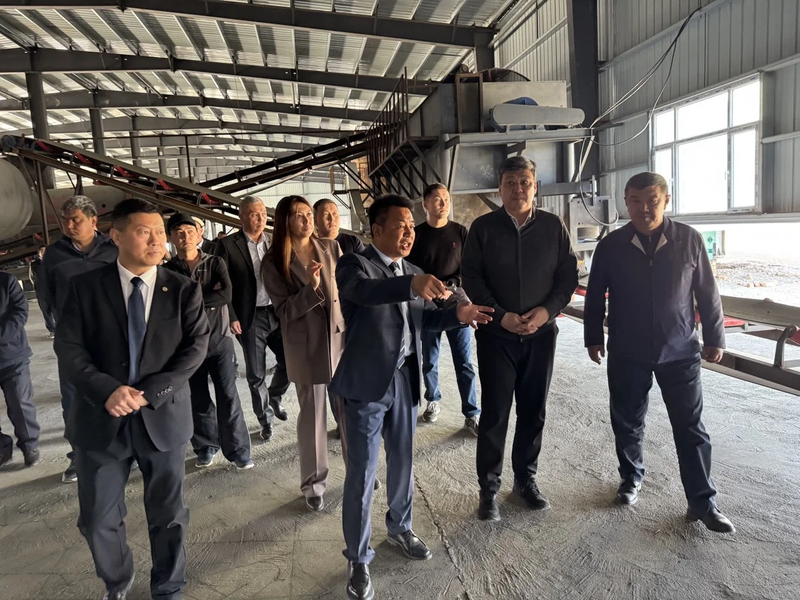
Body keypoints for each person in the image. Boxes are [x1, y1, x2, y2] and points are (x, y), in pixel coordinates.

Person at [331, 194, 493, 600]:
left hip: (404, 379)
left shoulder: (415, 271)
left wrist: (458, 315)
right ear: (377, 230)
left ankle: (400, 528)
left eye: (410, 225)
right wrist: (409, 284)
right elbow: (364, 293)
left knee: (403, 461)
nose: (408, 232)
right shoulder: (354, 265)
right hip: (366, 385)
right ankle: (358, 558)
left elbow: (425, 321)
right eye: (400, 225)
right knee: (362, 474)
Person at [54, 199, 210, 600]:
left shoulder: (183, 290)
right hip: (101, 418)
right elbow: (69, 348)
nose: (157, 240)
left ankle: (168, 587)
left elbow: (194, 349)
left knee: (169, 515)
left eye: (159, 232)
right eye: (144, 232)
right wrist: (106, 389)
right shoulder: (84, 287)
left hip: (162, 417)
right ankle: (118, 578)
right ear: (116, 236)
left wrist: (150, 393)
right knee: (96, 517)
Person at [584, 172, 734, 534]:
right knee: (627, 421)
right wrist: (593, 337)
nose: (644, 208)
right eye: (636, 201)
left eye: (652, 200)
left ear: (666, 200)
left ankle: (703, 501)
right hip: (628, 350)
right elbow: (595, 294)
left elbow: (707, 292)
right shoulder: (612, 245)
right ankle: (630, 478)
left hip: (680, 350)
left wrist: (715, 337)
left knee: (690, 427)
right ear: (626, 202)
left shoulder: (688, 240)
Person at [462, 155, 578, 522]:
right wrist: (501, 316)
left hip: (541, 336)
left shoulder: (553, 227)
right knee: (495, 413)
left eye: (524, 182)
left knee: (533, 410)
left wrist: (547, 311)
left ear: (535, 186)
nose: (518, 189)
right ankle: (488, 489)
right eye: (510, 183)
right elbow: (471, 277)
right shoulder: (483, 228)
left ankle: (525, 480)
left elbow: (567, 277)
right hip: (497, 337)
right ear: (499, 188)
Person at [262, 196, 345, 511]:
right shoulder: (274, 262)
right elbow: (284, 311)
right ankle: (314, 484)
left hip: (339, 339)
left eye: (309, 214)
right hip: (306, 345)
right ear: (285, 220)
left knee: (349, 411)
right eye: (298, 215)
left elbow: (346, 291)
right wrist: (311, 287)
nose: (307, 219)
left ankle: (359, 469)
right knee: (313, 417)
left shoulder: (330, 247)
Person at [164, 213, 253, 471]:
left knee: (229, 396)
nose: (185, 236)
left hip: (219, 341)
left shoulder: (215, 262)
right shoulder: (168, 271)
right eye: (179, 232)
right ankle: (205, 447)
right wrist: (205, 298)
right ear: (171, 238)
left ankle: (238, 450)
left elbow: (225, 294)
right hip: (188, 346)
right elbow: (170, 305)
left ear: (198, 234)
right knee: (198, 398)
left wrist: (189, 301)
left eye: (190, 231)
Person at [43, 195, 119, 484]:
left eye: (76, 220)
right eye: (66, 220)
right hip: (73, 340)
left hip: (111, 336)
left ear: (93, 221)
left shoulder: (113, 249)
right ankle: (80, 455)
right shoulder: (55, 254)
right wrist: (61, 326)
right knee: (73, 399)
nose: (70, 225)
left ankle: (121, 448)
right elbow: (47, 294)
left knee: (115, 391)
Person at [215, 196, 290, 441]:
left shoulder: (275, 241)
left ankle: (275, 396)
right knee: (256, 374)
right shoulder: (228, 245)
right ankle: (265, 419)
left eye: (263, 214)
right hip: (250, 316)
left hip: (277, 312)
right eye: (254, 214)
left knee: (290, 361)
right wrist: (231, 316)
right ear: (241, 217)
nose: (260, 218)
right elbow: (222, 284)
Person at [407, 183, 480, 434]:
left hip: (455, 298)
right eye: (437, 199)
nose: (443, 204)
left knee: (464, 361)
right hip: (427, 301)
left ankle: (471, 412)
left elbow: (469, 267)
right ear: (425, 205)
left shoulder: (460, 232)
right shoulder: (416, 234)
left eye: (446, 199)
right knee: (430, 358)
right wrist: (429, 289)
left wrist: (451, 286)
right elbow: (411, 269)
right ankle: (433, 400)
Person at [313, 198, 364, 437]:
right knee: (333, 373)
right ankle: (342, 424)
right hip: (327, 320)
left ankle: (358, 417)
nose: (332, 219)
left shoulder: (352, 241)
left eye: (335, 213)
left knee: (357, 368)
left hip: (354, 315)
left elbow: (366, 274)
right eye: (325, 214)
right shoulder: (311, 248)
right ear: (316, 220)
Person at [0, 271, 41, 469]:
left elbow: (20, 312)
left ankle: (29, 445)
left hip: (12, 356)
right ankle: (2, 448)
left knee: (19, 403)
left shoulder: (6, 281)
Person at [29, 246, 57, 338]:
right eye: (41, 253)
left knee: (56, 311)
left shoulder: (54, 263)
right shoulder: (34, 265)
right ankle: (52, 330)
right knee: (46, 312)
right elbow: (32, 276)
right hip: (42, 291)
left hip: (53, 291)